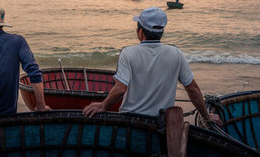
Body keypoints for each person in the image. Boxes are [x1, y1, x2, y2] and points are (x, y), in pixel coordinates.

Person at [83, 7, 222, 125]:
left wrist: (103, 106)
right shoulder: (176, 54)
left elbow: (120, 89)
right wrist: (207, 116)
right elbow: (192, 89)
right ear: (161, 32)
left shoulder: (128, 53)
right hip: (160, 123)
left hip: (129, 122)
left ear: (141, 32)